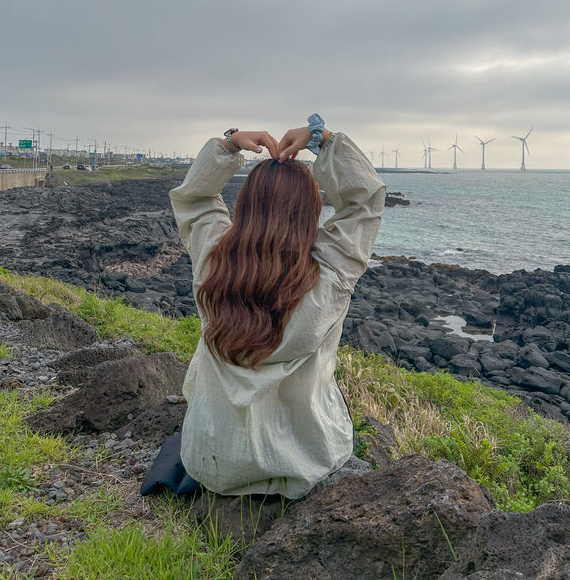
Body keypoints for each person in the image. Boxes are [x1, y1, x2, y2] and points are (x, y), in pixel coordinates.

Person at [140, 115, 386, 500]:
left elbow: (195, 198)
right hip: (305, 460)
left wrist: (230, 144)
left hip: (213, 461)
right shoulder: (333, 273)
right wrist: (324, 140)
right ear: (310, 213)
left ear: (246, 205)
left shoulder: (212, 259)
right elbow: (365, 201)